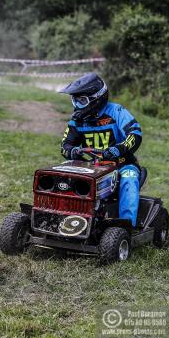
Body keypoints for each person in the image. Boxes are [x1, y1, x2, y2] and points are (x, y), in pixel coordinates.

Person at [59, 73, 142, 227]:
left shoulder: (116, 112)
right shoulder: (77, 120)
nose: (77, 105)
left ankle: (126, 226)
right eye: (75, 100)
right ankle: (64, 219)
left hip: (122, 165)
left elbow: (135, 133)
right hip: (91, 167)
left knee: (129, 178)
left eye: (82, 100)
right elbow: (65, 146)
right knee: (64, 177)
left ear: (97, 98)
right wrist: (73, 152)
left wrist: (119, 149)